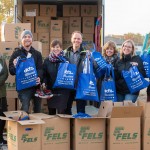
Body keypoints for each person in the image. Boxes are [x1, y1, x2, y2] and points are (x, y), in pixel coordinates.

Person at [9, 30, 43, 113]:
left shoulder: (37, 54)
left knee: (37, 111)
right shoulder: (16, 54)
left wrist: (39, 77)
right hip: (23, 89)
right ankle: (24, 126)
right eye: (25, 37)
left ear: (32, 39)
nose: (27, 38)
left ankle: (36, 126)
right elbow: (11, 71)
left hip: (36, 87)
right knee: (24, 111)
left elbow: (40, 68)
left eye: (29, 37)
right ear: (21, 40)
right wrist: (15, 66)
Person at [42, 39, 70, 115]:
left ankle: (61, 127)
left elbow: (70, 74)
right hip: (51, 89)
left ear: (61, 48)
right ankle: (53, 126)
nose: (55, 49)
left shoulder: (66, 60)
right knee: (51, 112)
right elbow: (45, 74)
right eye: (53, 47)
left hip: (63, 90)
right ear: (51, 48)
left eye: (57, 47)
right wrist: (44, 82)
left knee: (61, 112)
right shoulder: (47, 60)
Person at [64, 31, 88, 115]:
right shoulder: (65, 52)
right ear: (71, 39)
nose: (76, 40)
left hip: (80, 83)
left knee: (81, 109)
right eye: (75, 38)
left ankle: (80, 126)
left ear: (81, 40)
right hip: (68, 83)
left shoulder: (86, 53)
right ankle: (69, 126)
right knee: (67, 108)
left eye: (78, 38)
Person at [0, 53, 8, 145]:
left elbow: (5, 73)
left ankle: (1, 137)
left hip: (1, 94)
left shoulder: (1, 59)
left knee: (2, 116)